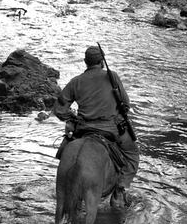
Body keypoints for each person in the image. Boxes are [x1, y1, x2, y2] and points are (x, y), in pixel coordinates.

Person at [53, 46, 139, 207]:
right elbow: (126, 104)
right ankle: (119, 190)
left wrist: (73, 118)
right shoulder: (112, 77)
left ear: (85, 62)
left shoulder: (76, 81)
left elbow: (59, 109)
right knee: (132, 153)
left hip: (83, 128)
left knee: (66, 148)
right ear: (102, 62)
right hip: (111, 128)